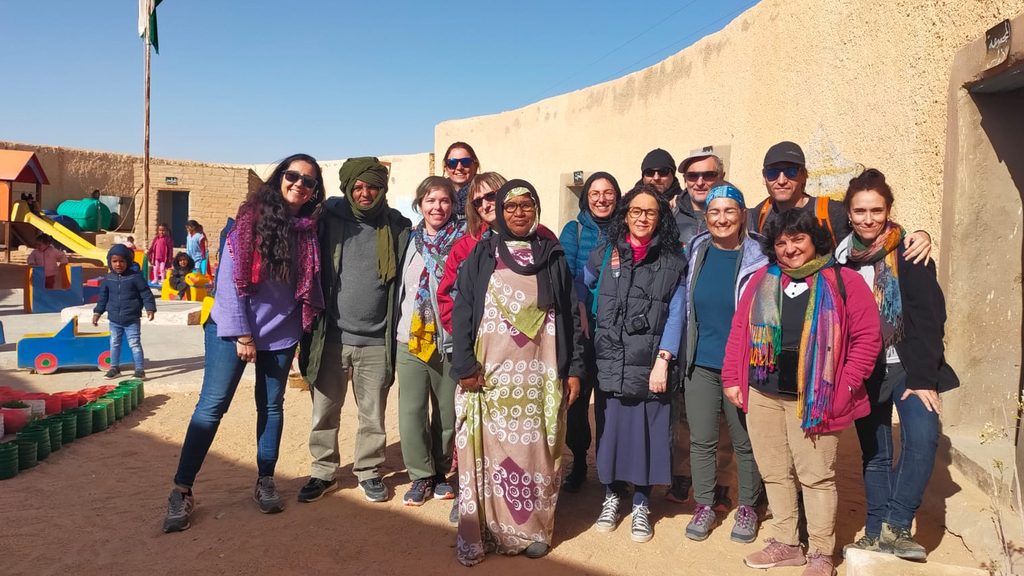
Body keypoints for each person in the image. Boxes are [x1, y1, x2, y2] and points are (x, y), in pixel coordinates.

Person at [162, 153, 325, 533]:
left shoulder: (308, 230)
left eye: (309, 181)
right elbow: (229, 284)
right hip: (232, 330)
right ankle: (181, 490)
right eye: (293, 175)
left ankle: (264, 479)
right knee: (211, 408)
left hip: (281, 335)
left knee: (271, 407)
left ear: (315, 191)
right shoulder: (248, 222)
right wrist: (243, 335)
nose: (299, 183)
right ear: (278, 178)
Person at [722, 209, 882, 576]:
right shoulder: (763, 279)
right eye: (781, 242)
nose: (790, 248)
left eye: (798, 239)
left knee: (815, 476)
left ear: (815, 241)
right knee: (775, 472)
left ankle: (821, 552)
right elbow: (739, 332)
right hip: (763, 392)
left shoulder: (845, 282)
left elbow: (867, 340)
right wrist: (733, 377)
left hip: (815, 399)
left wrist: (843, 387)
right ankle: (786, 543)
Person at [450, 179, 584, 565]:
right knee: (492, 455)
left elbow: (570, 316)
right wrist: (463, 365)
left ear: (536, 210)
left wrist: (572, 368)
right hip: (490, 376)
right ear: (500, 213)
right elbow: (463, 311)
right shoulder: (483, 254)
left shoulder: (553, 254)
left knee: (536, 452)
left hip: (539, 378)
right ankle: (491, 531)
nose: (519, 212)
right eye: (511, 207)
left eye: (527, 205)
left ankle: (534, 530)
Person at [836, 169, 959, 561]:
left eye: (877, 210)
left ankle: (898, 525)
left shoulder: (909, 252)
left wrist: (925, 377)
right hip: (864, 369)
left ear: (888, 210)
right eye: (860, 211)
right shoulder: (840, 260)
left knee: (923, 438)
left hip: (906, 366)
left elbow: (929, 318)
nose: (868, 218)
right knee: (875, 453)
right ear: (849, 213)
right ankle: (874, 534)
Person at [298, 157, 412, 505]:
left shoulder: (397, 227)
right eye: (358, 187)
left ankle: (369, 471)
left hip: (377, 340)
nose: (365, 193)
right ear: (347, 188)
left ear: (383, 188)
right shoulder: (328, 222)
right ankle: (323, 472)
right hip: (331, 337)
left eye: (372, 187)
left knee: (372, 414)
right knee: (324, 411)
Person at [585, 184, 687, 544]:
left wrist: (664, 360)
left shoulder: (674, 261)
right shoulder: (604, 254)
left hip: (651, 363)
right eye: (635, 212)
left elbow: (677, 314)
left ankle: (642, 502)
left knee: (647, 433)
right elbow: (582, 291)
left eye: (650, 212)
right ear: (625, 215)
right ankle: (612, 496)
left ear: (661, 218)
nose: (642, 219)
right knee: (611, 431)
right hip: (611, 358)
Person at [682, 184, 766, 544]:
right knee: (702, 439)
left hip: (743, 364)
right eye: (714, 212)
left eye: (729, 211)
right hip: (700, 360)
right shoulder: (696, 249)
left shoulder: (760, 255)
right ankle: (704, 503)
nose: (721, 219)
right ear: (706, 217)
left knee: (747, 441)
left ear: (742, 214)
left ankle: (747, 505)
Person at [395, 176, 464, 506]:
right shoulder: (408, 241)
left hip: (448, 339)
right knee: (411, 412)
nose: (438, 207)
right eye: (431, 200)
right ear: (420, 204)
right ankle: (420, 476)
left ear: (453, 205)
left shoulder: (464, 242)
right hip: (410, 338)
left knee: (447, 413)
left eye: (444, 201)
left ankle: (440, 471)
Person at [667, 146, 728, 505]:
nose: (700, 182)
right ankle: (681, 476)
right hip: (683, 327)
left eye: (708, 175)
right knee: (684, 409)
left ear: (720, 177)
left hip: (720, 325)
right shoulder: (671, 218)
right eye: (693, 176)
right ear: (684, 180)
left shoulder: (737, 213)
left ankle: (721, 482)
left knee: (720, 414)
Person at [748, 141, 931, 262]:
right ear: (764, 177)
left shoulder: (831, 212)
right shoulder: (760, 214)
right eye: (773, 173)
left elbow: (874, 230)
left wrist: (921, 235)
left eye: (790, 172)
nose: (781, 180)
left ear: (804, 175)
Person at [557, 171, 622, 492]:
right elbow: (566, 276)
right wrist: (576, 313)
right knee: (578, 399)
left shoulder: (626, 229)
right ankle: (580, 461)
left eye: (608, 192)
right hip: (581, 329)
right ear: (586, 198)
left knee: (612, 400)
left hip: (615, 330)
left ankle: (613, 468)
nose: (601, 198)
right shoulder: (575, 229)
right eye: (595, 193)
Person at [92, 243, 156, 380]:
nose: (118, 264)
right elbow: (103, 297)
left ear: (128, 261)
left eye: (122, 261)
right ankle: (114, 368)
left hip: (131, 318)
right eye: (114, 261)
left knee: (134, 343)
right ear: (110, 262)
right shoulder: (108, 278)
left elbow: (146, 293)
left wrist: (150, 308)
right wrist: (97, 312)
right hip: (114, 319)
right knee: (114, 343)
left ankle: (139, 370)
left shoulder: (135, 277)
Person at [443, 142, 480, 221]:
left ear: (475, 165)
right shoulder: (438, 192)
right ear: (445, 167)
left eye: (466, 162)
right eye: (452, 163)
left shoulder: (486, 193)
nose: (459, 167)